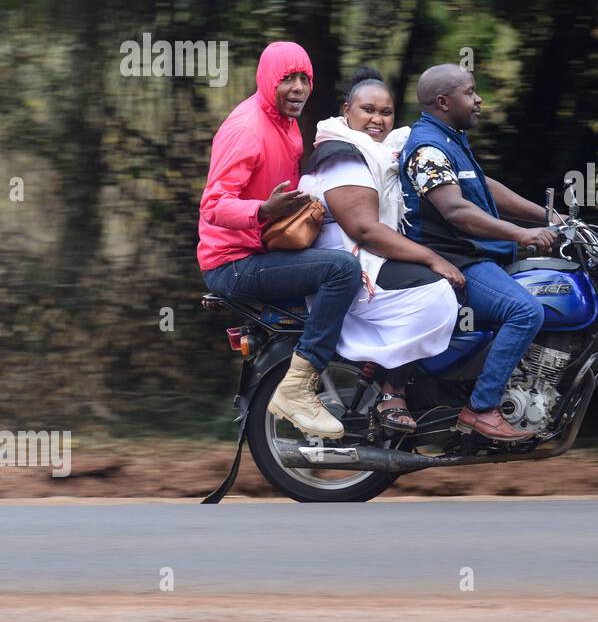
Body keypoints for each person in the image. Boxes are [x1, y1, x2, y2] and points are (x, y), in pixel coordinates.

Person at [198, 41, 359, 440]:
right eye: (288, 78)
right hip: (232, 264)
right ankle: (296, 391)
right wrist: (262, 211)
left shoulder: (285, 125)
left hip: (263, 248)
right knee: (343, 270)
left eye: (305, 78)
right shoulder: (246, 130)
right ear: (269, 80)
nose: (299, 87)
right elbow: (214, 206)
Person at [400, 63, 561, 442]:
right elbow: (457, 211)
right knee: (524, 311)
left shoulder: (450, 139)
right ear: (443, 101)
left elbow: (485, 189)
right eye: (470, 92)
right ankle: (482, 409)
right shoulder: (427, 148)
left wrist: (550, 216)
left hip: (472, 255)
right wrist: (522, 234)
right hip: (453, 260)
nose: (478, 99)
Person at [298, 70, 462, 433]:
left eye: (385, 112)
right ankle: (392, 391)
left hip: (366, 258)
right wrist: (432, 258)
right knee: (435, 292)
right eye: (367, 109)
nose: (377, 119)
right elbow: (364, 230)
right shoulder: (342, 154)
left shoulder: (382, 153)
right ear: (347, 111)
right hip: (351, 264)